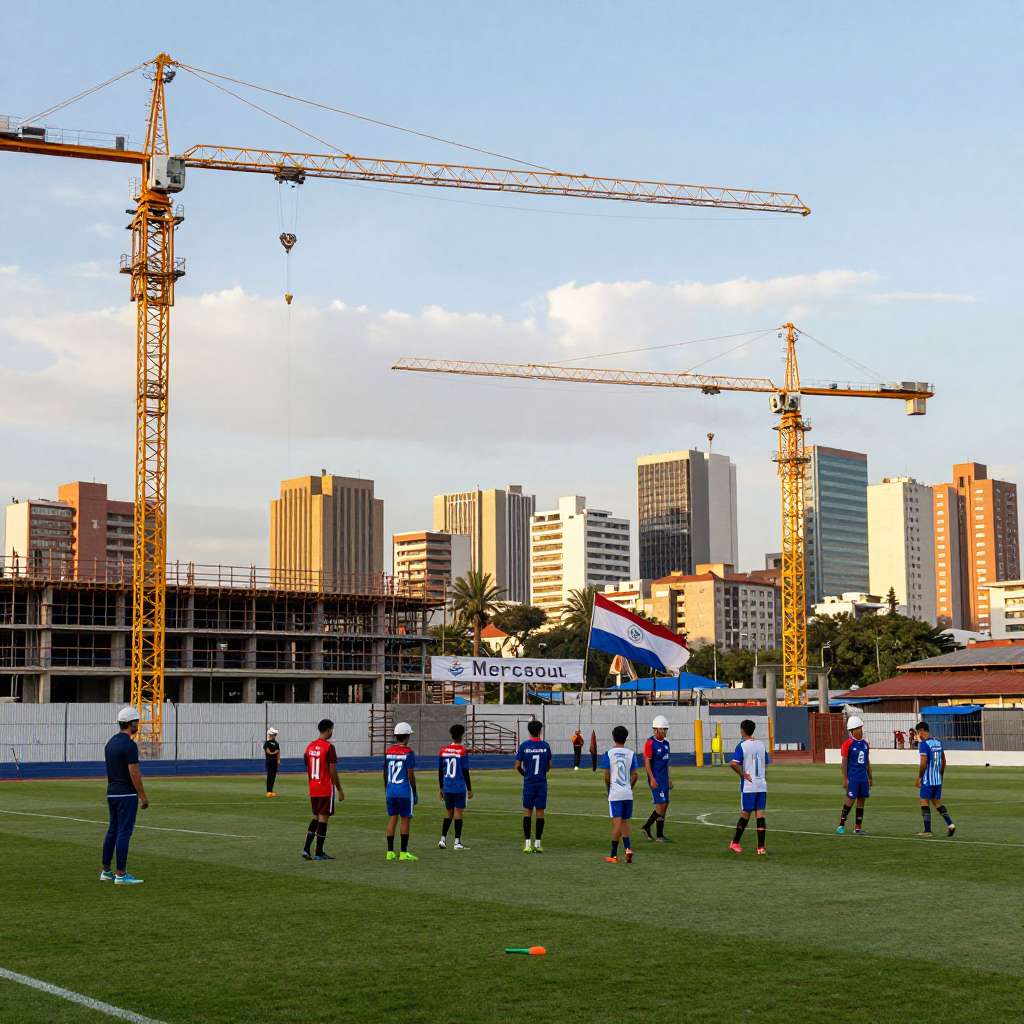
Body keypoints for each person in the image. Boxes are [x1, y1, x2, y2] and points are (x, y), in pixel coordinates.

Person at [101, 706, 149, 884]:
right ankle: (121, 873)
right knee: (124, 832)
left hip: (112, 792)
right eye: (136, 722)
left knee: (112, 830)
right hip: (126, 794)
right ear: (131, 723)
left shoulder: (110, 743)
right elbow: (134, 773)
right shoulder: (129, 744)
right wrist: (143, 796)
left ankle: (106, 870)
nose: (138, 725)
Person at [302, 718, 344, 861]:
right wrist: (339, 789)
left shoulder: (309, 747)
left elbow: (308, 766)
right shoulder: (329, 747)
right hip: (325, 787)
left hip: (313, 787)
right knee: (324, 818)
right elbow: (332, 771)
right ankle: (319, 852)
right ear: (328, 731)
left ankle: (306, 849)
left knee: (317, 816)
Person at [729, 719, 769, 855]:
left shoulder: (742, 746)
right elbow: (766, 763)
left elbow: (733, 764)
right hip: (761, 785)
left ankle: (735, 842)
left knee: (745, 815)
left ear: (742, 730)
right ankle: (761, 848)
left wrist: (743, 774)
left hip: (749, 786)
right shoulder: (761, 745)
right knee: (760, 816)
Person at [602, 725, 639, 863]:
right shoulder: (630, 754)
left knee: (616, 824)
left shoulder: (609, 753)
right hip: (627, 793)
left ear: (613, 737)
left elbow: (607, 776)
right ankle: (628, 849)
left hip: (615, 793)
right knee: (624, 821)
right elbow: (635, 775)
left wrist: (608, 789)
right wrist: (629, 787)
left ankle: (613, 855)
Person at [515, 719, 551, 852]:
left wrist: (525, 774)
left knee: (527, 811)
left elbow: (517, 766)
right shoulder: (545, 746)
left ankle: (527, 844)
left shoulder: (524, 746)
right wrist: (541, 773)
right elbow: (548, 765)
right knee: (540, 812)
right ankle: (538, 844)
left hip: (529, 782)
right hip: (541, 782)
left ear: (529, 731)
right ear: (540, 731)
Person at [915, 722, 955, 837]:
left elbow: (923, 762)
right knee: (937, 802)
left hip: (927, 779)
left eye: (918, 732)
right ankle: (950, 824)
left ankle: (927, 831)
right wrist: (940, 775)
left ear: (921, 730)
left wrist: (919, 777)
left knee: (924, 801)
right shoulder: (938, 742)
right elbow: (944, 761)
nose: (918, 735)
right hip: (937, 779)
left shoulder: (923, 744)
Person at [385, 721, 418, 861]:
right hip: (404, 790)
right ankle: (404, 852)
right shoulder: (408, 752)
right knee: (405, 819)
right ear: (406, 736)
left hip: (391, 789)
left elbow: (385, 772)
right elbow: (410, 774)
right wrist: (415, 792)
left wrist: (386, 788)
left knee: (392, 818)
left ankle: (390, 852)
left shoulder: (388, 752)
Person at [438, 723, 472, 850]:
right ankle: (457, 842)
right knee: (458, 812)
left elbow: (440, 770)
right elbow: (465, 771)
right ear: (462, 736)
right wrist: (469, 789)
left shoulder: (444, 750)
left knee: (448, 812)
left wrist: (441, 787)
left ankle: (442, 839)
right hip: (458, 786)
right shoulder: (462, 751)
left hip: (447, 785)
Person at [640, 715, 673, 842]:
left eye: (666, 729)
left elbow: (666, 763)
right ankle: (648, 826)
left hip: (664, 777)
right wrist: (652, 779)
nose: (664, 732)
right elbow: (647, 763)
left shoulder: (666, 744)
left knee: (664, 805)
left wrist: (669, 778)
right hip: (656, 778)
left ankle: (658, 834)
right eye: (662, 729)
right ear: (656, 730)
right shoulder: (650, 743)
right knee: (662, 803)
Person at [838, 715, 871, 835]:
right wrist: (845, 779)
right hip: (853, 778)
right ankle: (841, 824)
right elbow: (844, 762)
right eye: (859, 728)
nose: (861, 730)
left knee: (861, 802)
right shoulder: (848, 744)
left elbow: (867, 762)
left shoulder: (865, 744)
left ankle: (858, 827)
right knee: (850, 800)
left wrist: (870, 777)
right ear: (853, 730)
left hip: (863, 778)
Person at [263, 727, 281, 797]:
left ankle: (271, 790)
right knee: (269, 775)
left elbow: (278, 752)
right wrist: (275, 752)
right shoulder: (267, 743)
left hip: (274, 761)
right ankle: (268, 791)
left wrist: (278, 760)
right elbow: (268, 751)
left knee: (273, 776)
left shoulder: (276, 743)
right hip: (269, 761)